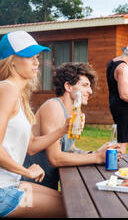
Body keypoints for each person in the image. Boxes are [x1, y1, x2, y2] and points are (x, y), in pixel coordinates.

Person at [0, 31, 66, 218]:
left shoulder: (17, 95)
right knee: (70, 210)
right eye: (30, 57)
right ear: (12, 60)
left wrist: (63, 130)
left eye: (37, 57)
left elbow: (31, 146)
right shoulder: (6, 90)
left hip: (6, 187)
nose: (37, 62)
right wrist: (26, 172)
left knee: (66, 201)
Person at [22, 62, 121, 190]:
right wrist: (96, 157)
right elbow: (55, 158)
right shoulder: (53, 107)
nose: (90, 91)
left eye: (90, 87)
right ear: (68, 86)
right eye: (85, 85)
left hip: (47, 184)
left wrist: (96, 152)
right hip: (30, 182)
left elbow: (69, 149)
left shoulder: (72, 113)